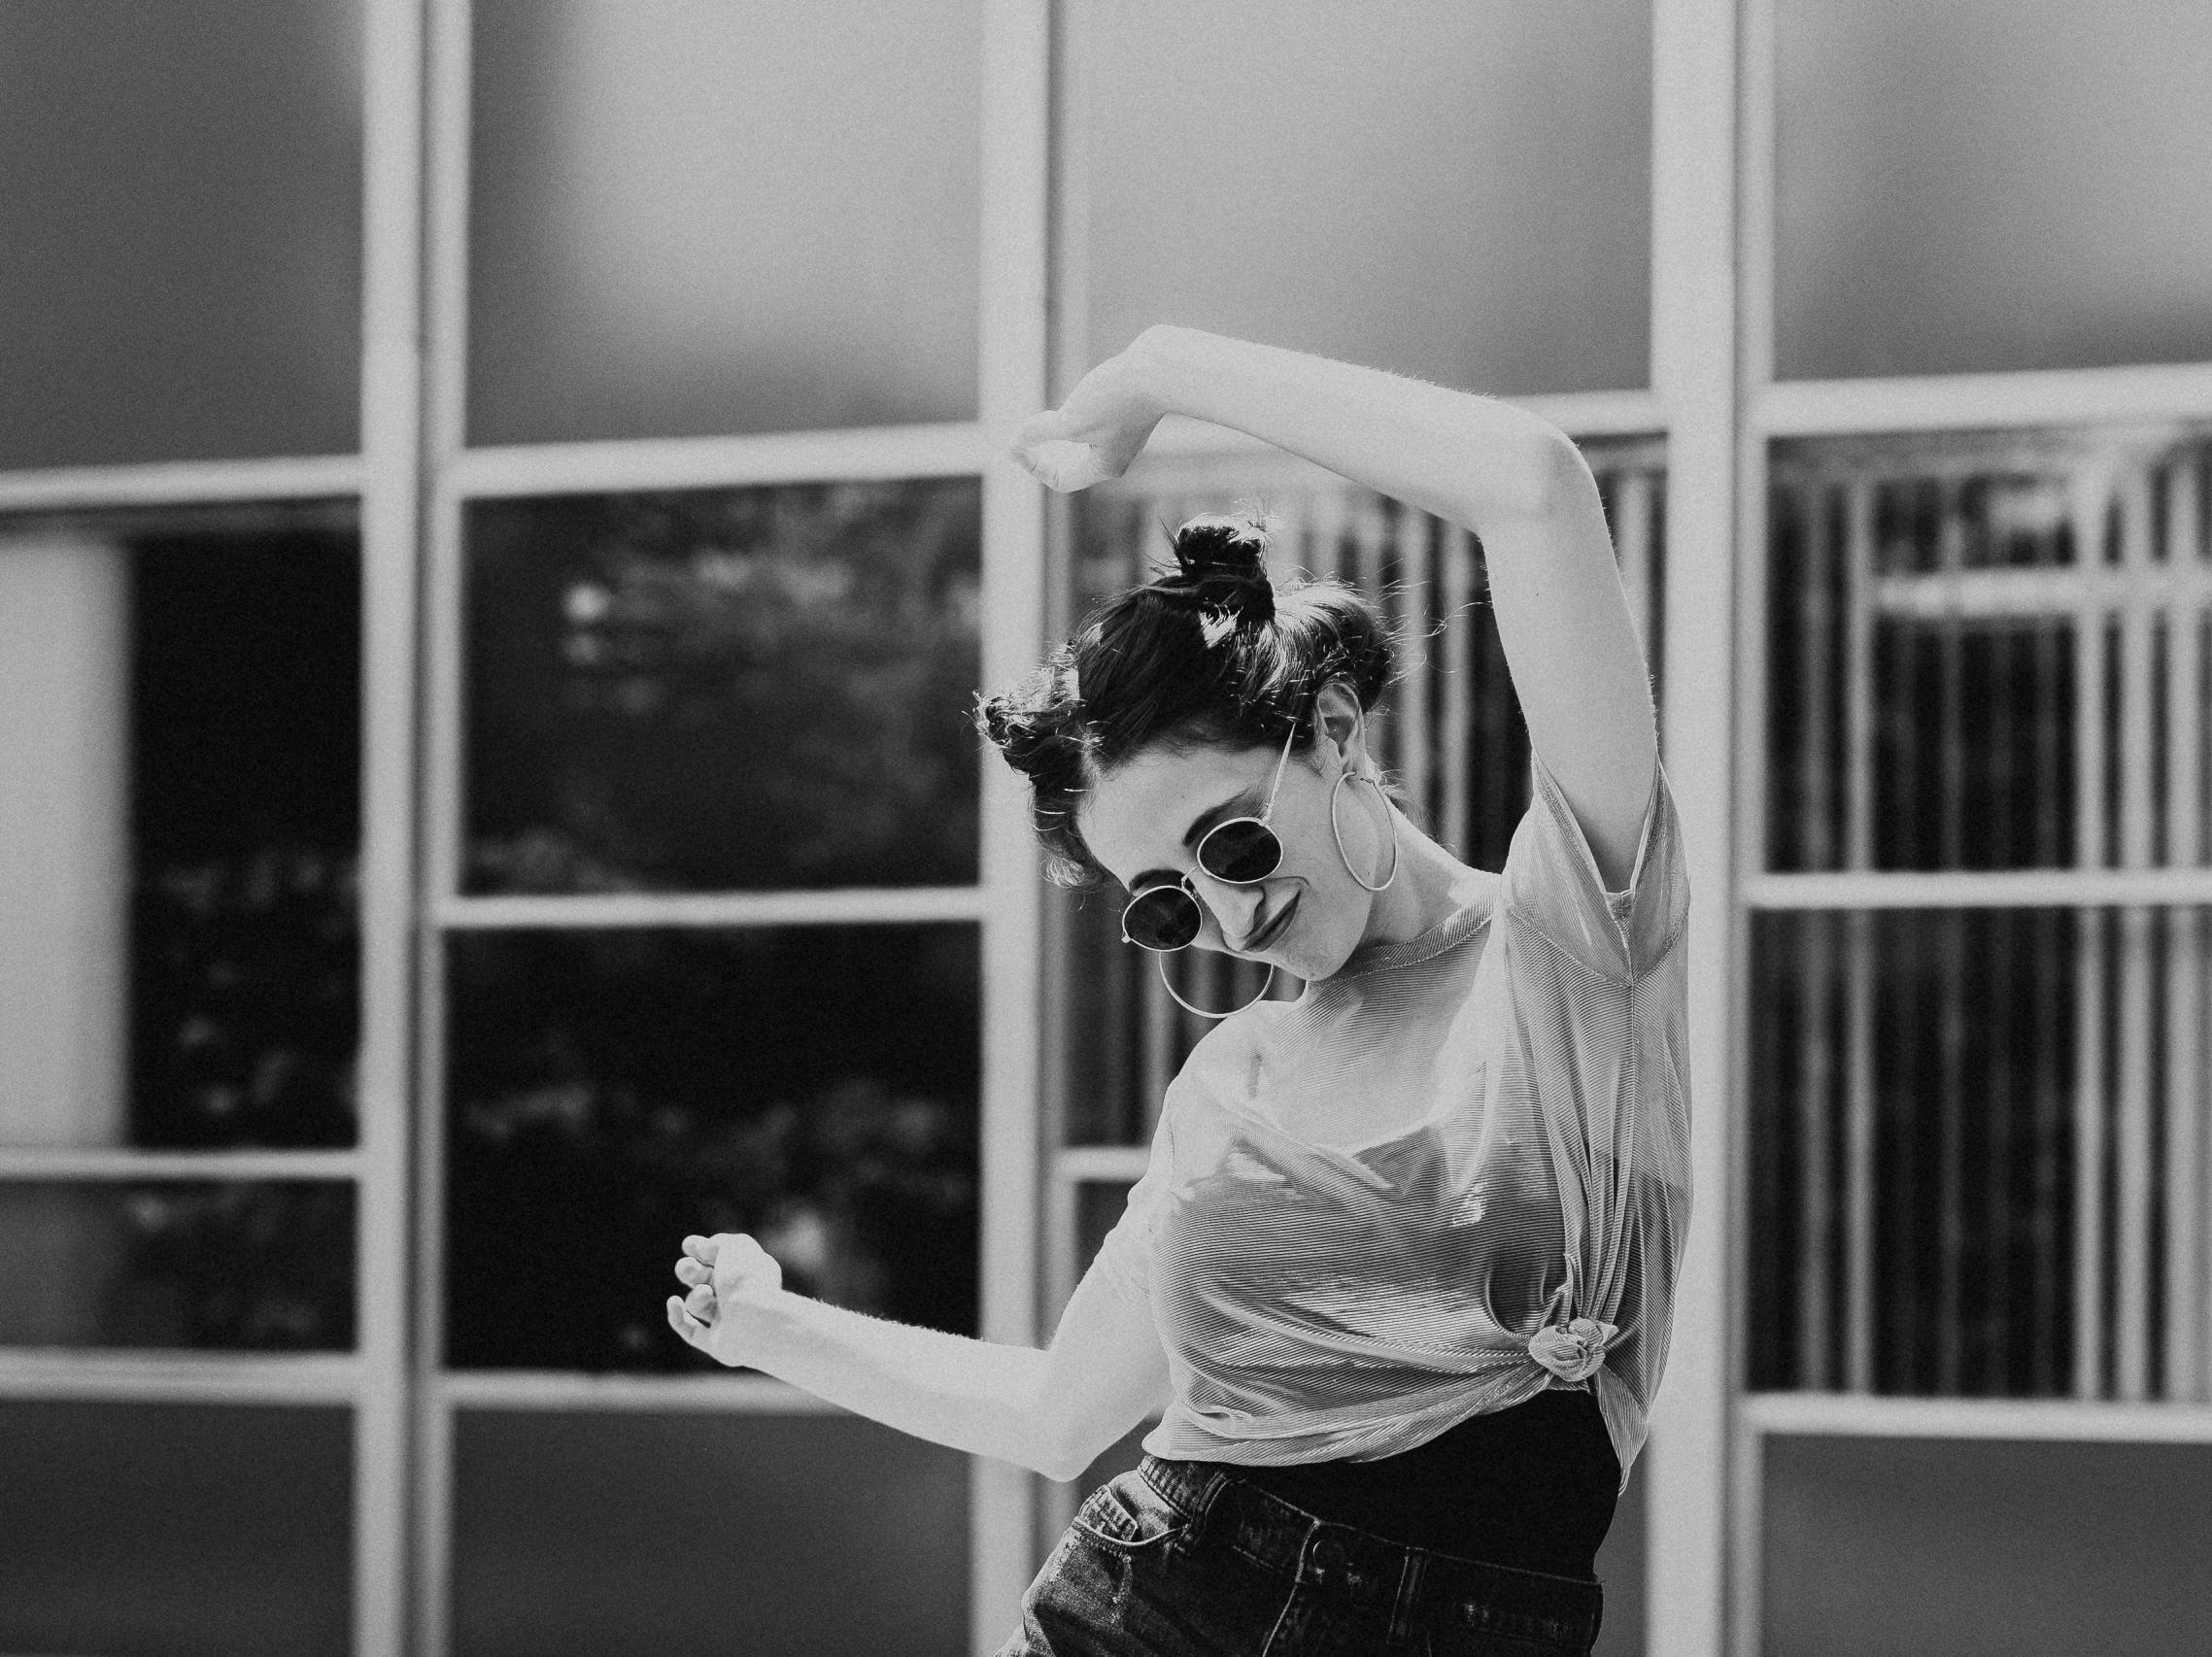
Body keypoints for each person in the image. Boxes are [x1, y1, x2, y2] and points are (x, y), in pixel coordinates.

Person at [666, 324, 1690, 1656]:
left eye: (1231, 841)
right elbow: (1054, 1414)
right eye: (1166, 900)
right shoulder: (1235, 1079)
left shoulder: (1572, 941)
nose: (1226, 912)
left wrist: (1157, 371)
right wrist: (768, 1324)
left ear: (1332, 732)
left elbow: (1537, 485)